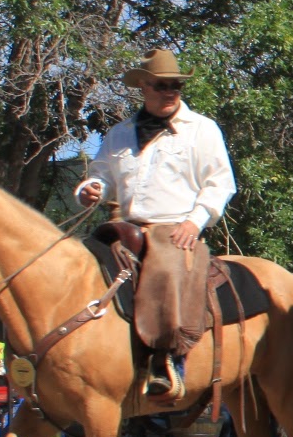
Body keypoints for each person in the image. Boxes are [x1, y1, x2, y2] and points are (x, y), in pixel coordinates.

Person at [74, 46, 237, 400]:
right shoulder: (119, 133)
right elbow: (101, 175)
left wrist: (194, 222)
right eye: (161, 85)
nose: (170, 92)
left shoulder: (202, 129)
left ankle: (167, 360)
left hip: (174, 228)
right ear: (144, 87)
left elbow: (220, 183)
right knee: (80, 262)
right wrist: (91, 189)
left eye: (176, 85)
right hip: (126, 226)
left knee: (165, 268)